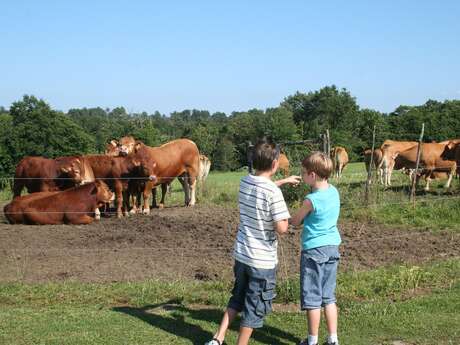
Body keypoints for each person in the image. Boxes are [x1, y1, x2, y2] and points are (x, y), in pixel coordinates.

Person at [205, 138, 300, 345]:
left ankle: (218, 338)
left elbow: (261, 188)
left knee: (237, 297)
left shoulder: (245, 181)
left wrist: (282, 182)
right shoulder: (273, 193)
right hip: (261, 261)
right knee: (254, 305)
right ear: (275, 164)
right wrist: (290, 218)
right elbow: (282, 228)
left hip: (242, 254)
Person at [290, 152, 342, 345]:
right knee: (328, 297)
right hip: (332, 248)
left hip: (314, 250)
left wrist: (285, 220)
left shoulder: (311, 200)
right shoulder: (334, 191)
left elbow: (296, 221)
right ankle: (333, 339)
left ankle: (312, 341)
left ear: (312, 175)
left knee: (312, 297)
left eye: (303, 173)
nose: (302, 176)